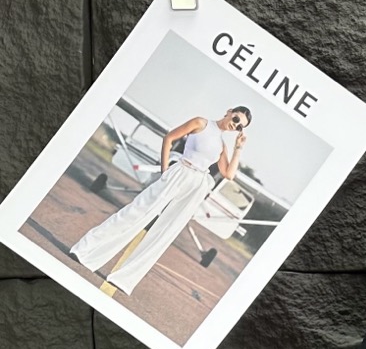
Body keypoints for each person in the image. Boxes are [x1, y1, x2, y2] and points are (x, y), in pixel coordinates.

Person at [69, 106, 251, 295]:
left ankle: (124, 279)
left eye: (240, 127)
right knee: (135, 212)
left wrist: (238, 148)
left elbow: (229, 174)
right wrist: (165, 171)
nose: (235, 125)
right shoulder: (201, 123)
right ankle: (85, 251)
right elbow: (169, 138)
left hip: (197, 185)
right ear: (229, 112)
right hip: (179, 171)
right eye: (236, 119)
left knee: (166, 232)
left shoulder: (222, 146)